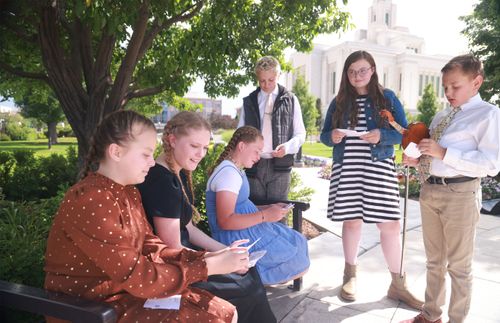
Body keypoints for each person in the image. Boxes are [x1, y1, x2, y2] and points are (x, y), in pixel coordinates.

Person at [44, 110, 248, 323]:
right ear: (116, 151)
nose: (152, 163)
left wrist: (208, 257)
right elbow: (141, 278)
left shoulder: (128, 192)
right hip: (89, 309)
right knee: (210, 318)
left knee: (225, 311)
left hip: (123, 296)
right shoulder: (91, 199)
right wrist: (209, 267)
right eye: (146, 154)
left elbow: (153, 247)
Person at [137, 111, 276, 323]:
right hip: (173, 269)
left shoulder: (179, 172)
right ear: (172, 140)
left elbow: (189, 229)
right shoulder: (161, 181)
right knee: (246, 287)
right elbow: (172, 249)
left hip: (188, 258)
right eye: (194, 146)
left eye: (205, 147)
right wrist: (221, 261)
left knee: (250, 271)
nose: (201, 154)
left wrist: (226, 250)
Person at [320, 50, 423, 309]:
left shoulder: (387, 98)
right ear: (346, 74)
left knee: (389, 225)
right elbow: (324, 134)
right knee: (352, 221)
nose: (357, 75)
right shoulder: (339, 100)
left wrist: (382, 135)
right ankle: (350, 275)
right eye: (352, 71)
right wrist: (330, 136)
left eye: (363, 70)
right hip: (348, 168)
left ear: (373, 70)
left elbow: (405, 133)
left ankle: (398, 284)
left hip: (378, 168)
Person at [401, 55, 500, 323]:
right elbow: (431, 153)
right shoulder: (442, 115)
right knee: (434, 262)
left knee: (459, 266)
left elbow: (491, 164)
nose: (448, 93)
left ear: (476, 82)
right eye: (445, 87)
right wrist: (417, 158)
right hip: (430, 192)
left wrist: (444, 153)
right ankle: (431, 315)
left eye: (455, 86)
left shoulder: (489, 115)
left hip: (460, 194)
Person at [205, 125, 310, 285]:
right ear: (241, 146)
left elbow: (239, 207)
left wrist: (269, 208)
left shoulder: (235, 169)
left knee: (298, 241)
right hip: (236, 236)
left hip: (248, 229)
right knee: (297, 260)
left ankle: (269, 276)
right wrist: (265, 216)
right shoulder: (228, 174)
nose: (259, 157)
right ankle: (253, 280)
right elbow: (225, 221)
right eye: (256, 151)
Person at [238, 55, 306, 202]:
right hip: (253, 167)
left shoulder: (291, 100)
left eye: (271, 80)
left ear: (278, 76)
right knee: (254, 212)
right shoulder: (249, 101)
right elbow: (240, 134)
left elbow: (300, 134)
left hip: (280, 168)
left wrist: (287, 148)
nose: (266, 85)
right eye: (262, 80)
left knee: (278, 213)